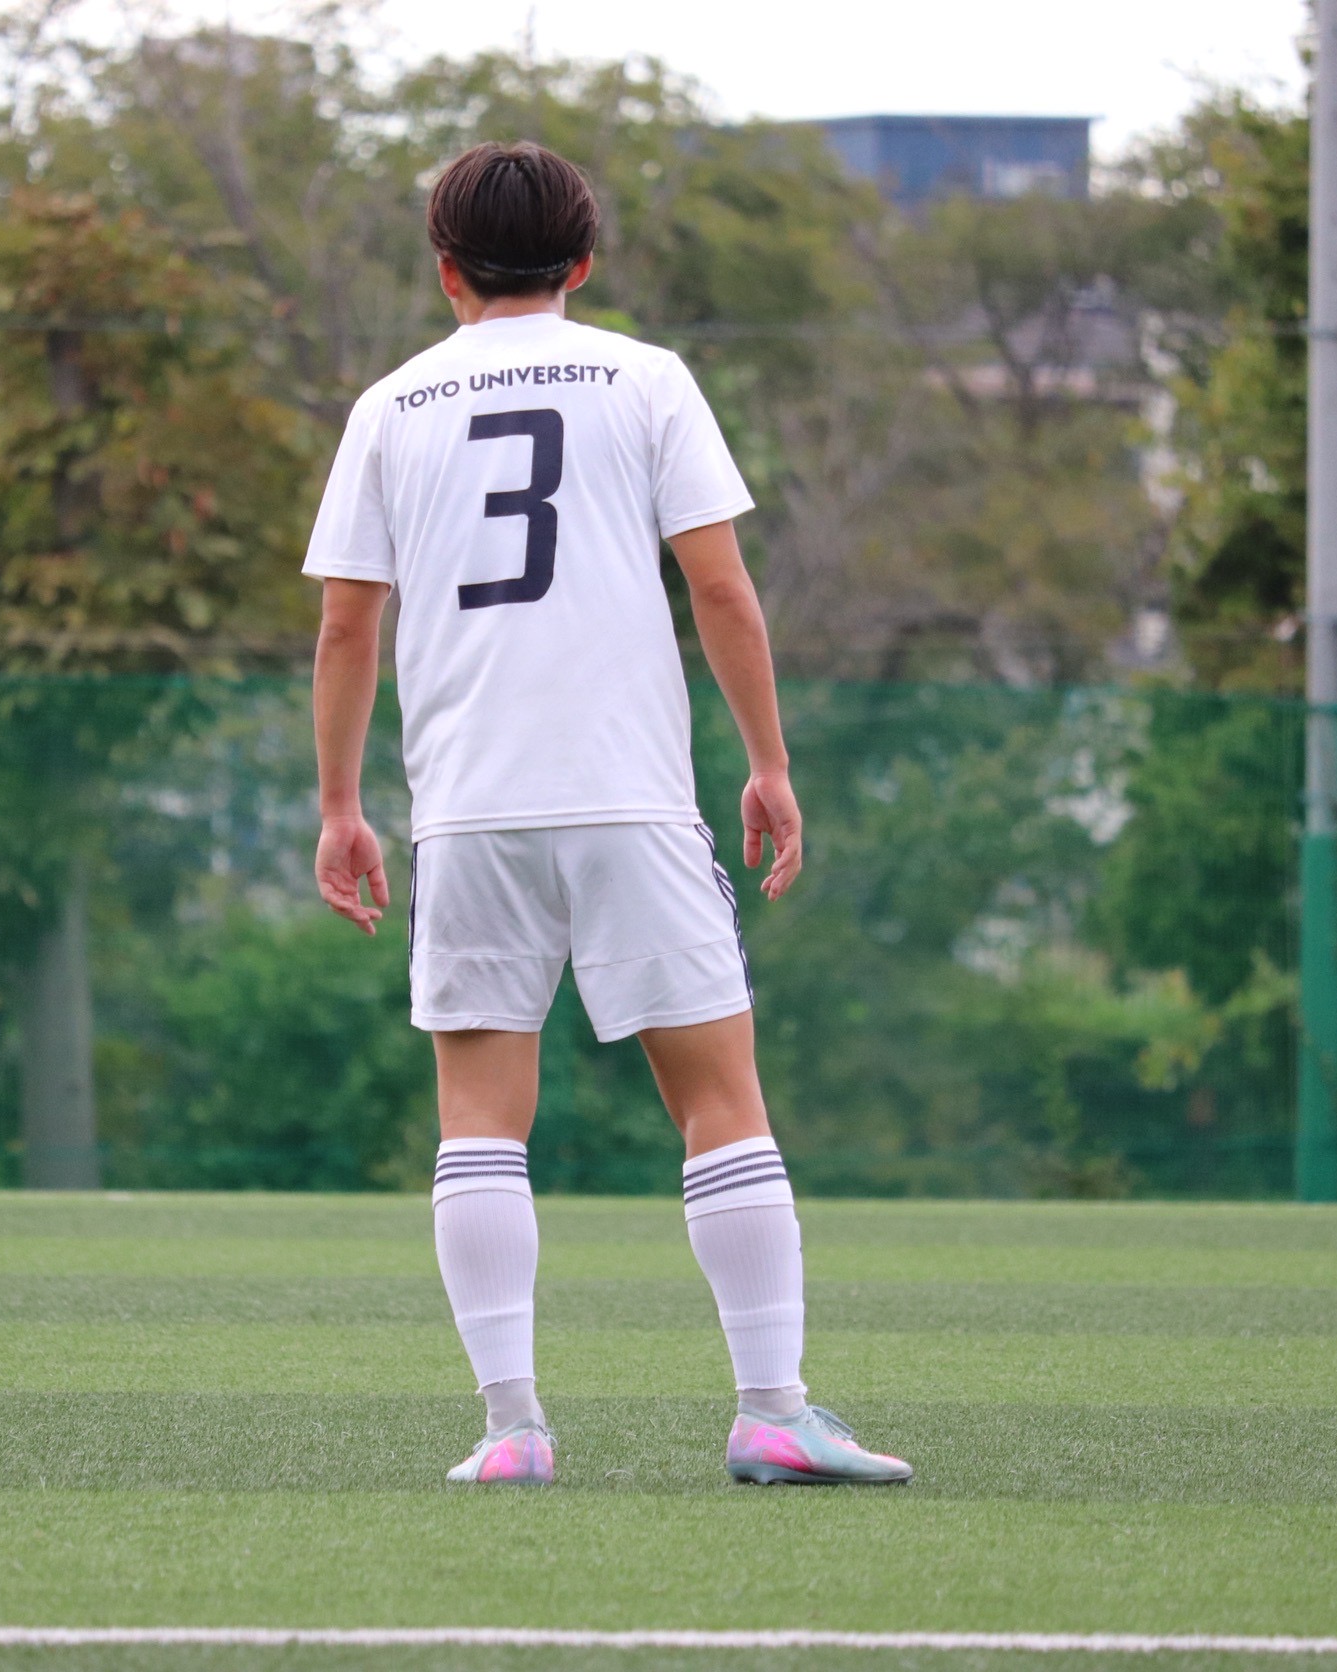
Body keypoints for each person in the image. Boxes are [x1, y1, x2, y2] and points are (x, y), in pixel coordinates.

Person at [303, 140, 911, 1485]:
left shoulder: (389, 407)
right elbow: (723, 589)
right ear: (582, 263)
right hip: (631, 799)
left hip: (468, 811)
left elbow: (348, 624)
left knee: (478, 1119)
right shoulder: (647, 379)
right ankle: (772, 1411)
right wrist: (769, 761)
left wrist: (342, 803)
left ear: (446, 270)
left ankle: (512, 1430)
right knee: (722, 1103)